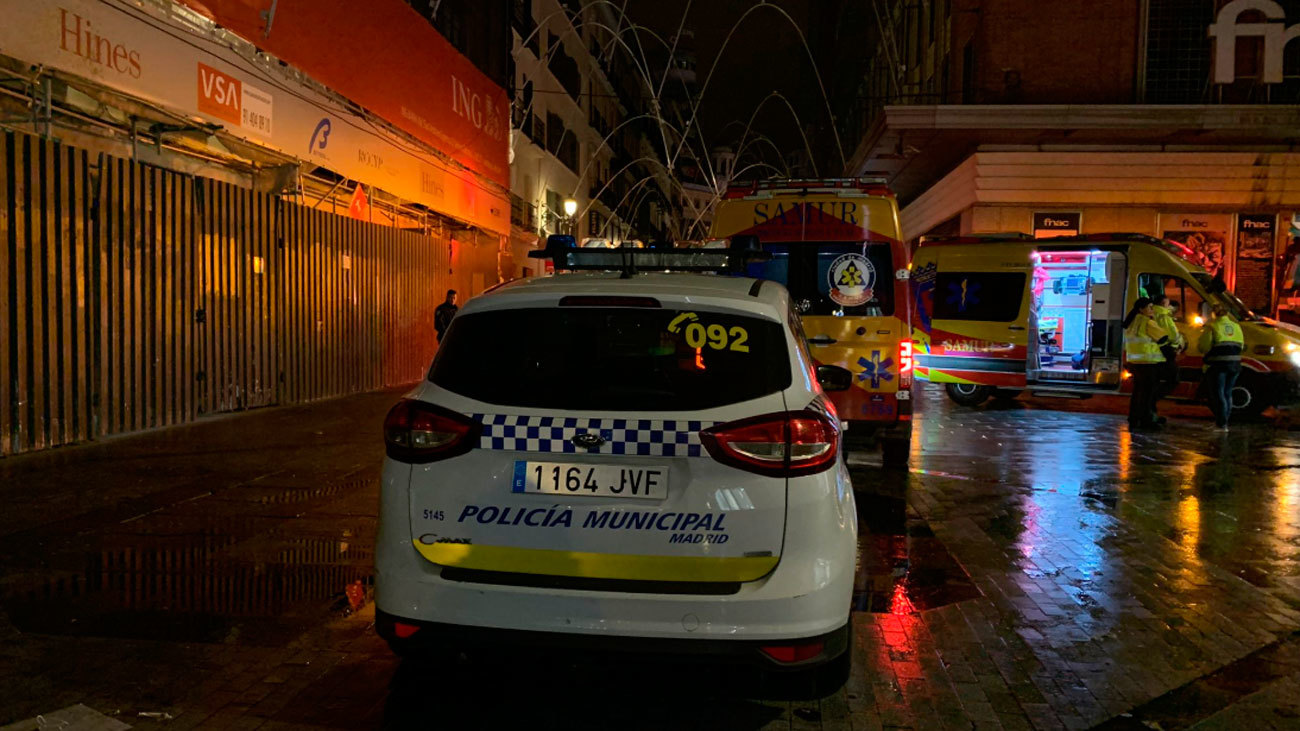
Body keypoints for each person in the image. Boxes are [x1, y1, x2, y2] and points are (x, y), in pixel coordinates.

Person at [1123, 297, 1171, 431]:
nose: (1152, 310)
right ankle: (1147, 421)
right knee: (1147, 394)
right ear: (1141, 309)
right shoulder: (1147, 323)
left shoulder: (1131, 322)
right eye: (1149, 307)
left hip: (1135, 362)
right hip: (1149, 362)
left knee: (1138, 392)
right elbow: (1163, 338)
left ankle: (1134, 419)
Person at [1198, 303, 1244, 430]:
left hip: (1218, 364)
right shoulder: (1236, 326)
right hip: (1235, 364)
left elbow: (1203, 347)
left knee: (1218, 393)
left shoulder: (1212, 326)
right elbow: (1242, 345)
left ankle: (1221, 424)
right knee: (1228, 393)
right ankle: (1224, 422)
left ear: (1213, 313)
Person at [1153, 296, 1186, 404]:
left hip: (1153, 353)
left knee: (1154, 381)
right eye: (1168, 304)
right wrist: (1180, 344)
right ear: (1163, 304)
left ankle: (1150, 409)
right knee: (1173, 380)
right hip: (1165, 352)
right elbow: (1173, 336)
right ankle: (1151, 401)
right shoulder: (1164, 317)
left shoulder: (1151, 315)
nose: (1170, 306)